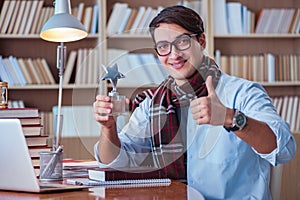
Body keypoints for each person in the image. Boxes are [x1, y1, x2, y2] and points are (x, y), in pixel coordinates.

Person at [93, 5, 296, 199]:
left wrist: (230, 117)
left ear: (202, 41)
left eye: (182, 42)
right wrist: (108, 128)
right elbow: (115, 160)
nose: (174, 54)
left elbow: (283, 150)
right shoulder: (153, 103)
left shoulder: (242, 92)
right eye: (163, 46)